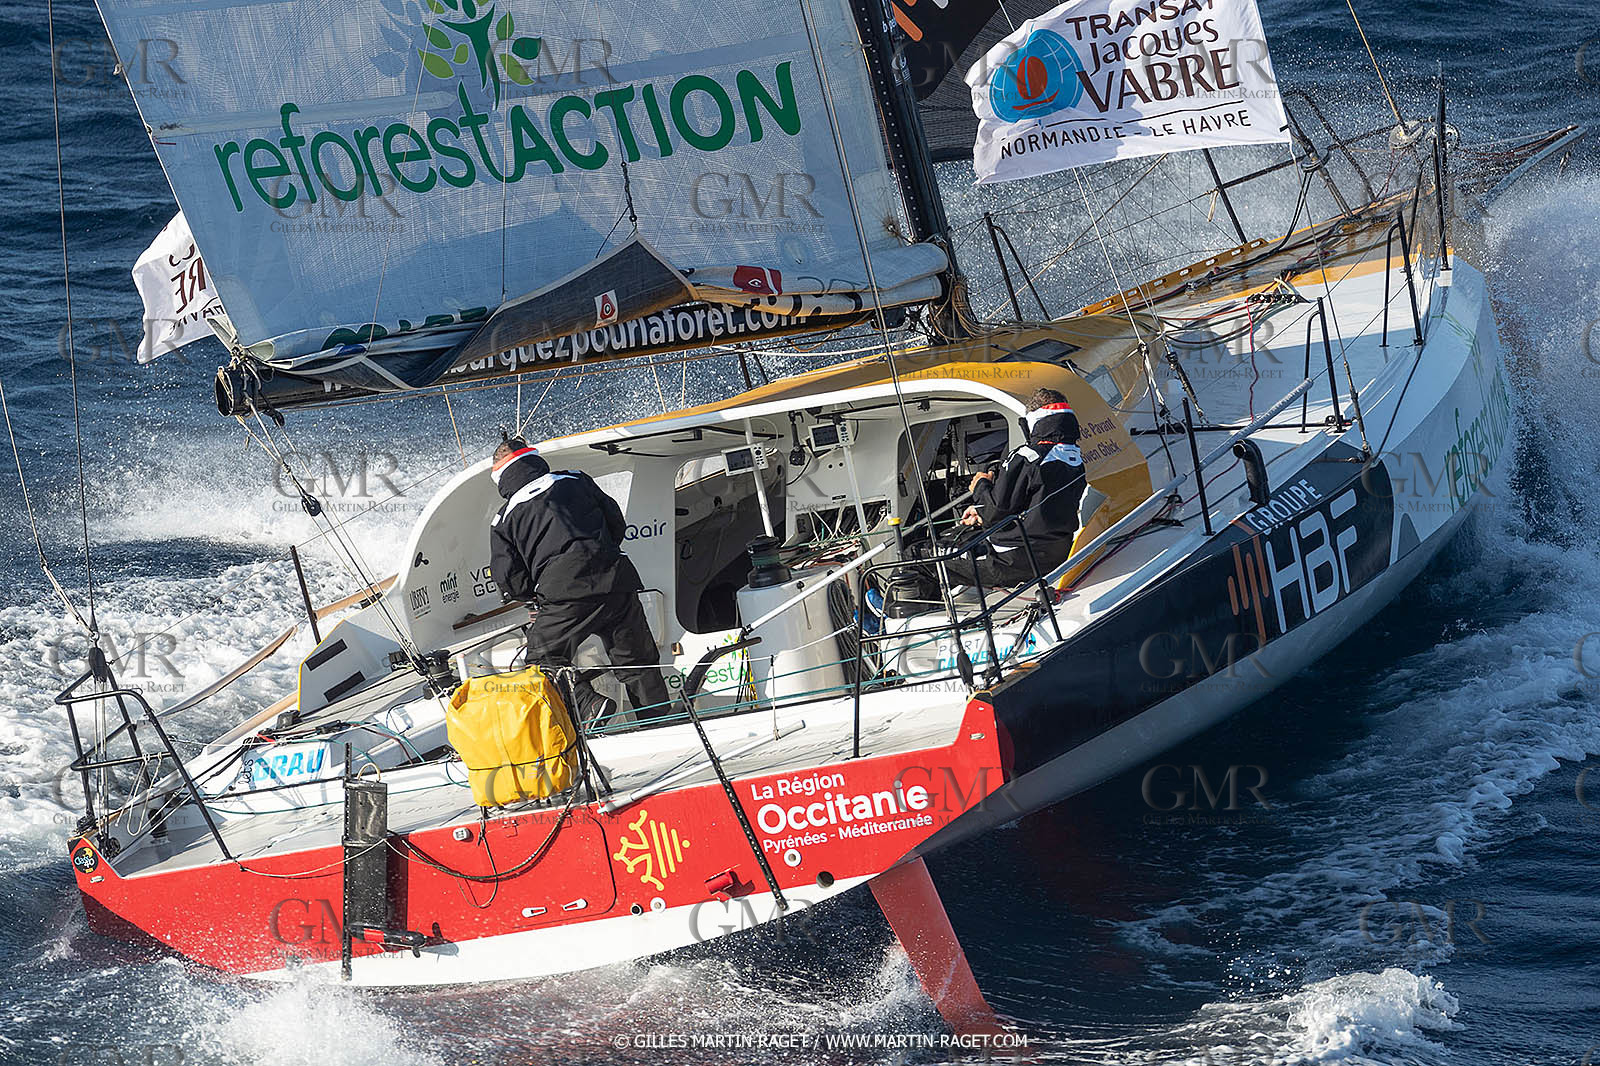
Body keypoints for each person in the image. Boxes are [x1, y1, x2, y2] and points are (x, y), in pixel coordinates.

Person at [488, 438, 672, 723]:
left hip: (564, 595)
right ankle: (660, 723)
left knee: (541, 663)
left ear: (500, 477)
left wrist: (532, 594)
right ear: (533, 459)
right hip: (616, 581)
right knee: (638, 663)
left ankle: (588, 703)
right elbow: (616, 523)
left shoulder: (504, 517)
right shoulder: (576, 479)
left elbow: (510, 578)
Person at [952, 388, 1088, 589]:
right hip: (1056, 552)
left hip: (1013, 559)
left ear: (1032, 421)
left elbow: (995, 511)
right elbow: (1035, 506)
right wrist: (980, 511)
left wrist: (980, 486)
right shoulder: (1075, 457)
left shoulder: (1027, 457)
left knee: (922, 557)